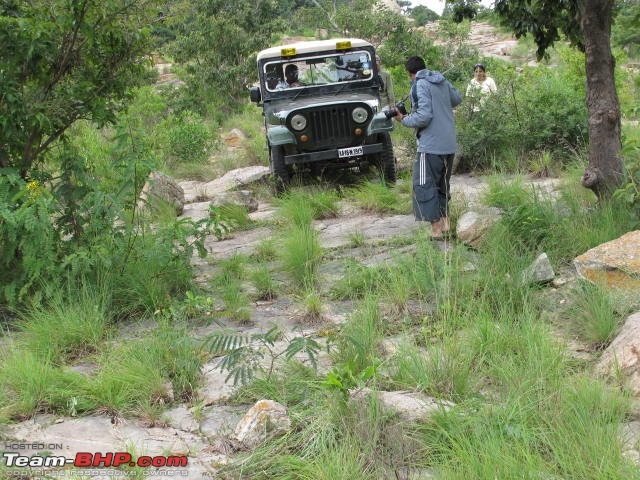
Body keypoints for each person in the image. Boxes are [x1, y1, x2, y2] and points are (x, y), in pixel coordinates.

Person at [392, 55, 462, 239]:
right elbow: (456, 99)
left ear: (410, 73)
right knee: (442, 185)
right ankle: (447, 226)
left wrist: (403, 119)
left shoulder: (419, 84)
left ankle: (436, 231)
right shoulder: (441, 79)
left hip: (430, 145)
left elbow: (424, 116)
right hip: (449, 143)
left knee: (424, 184)